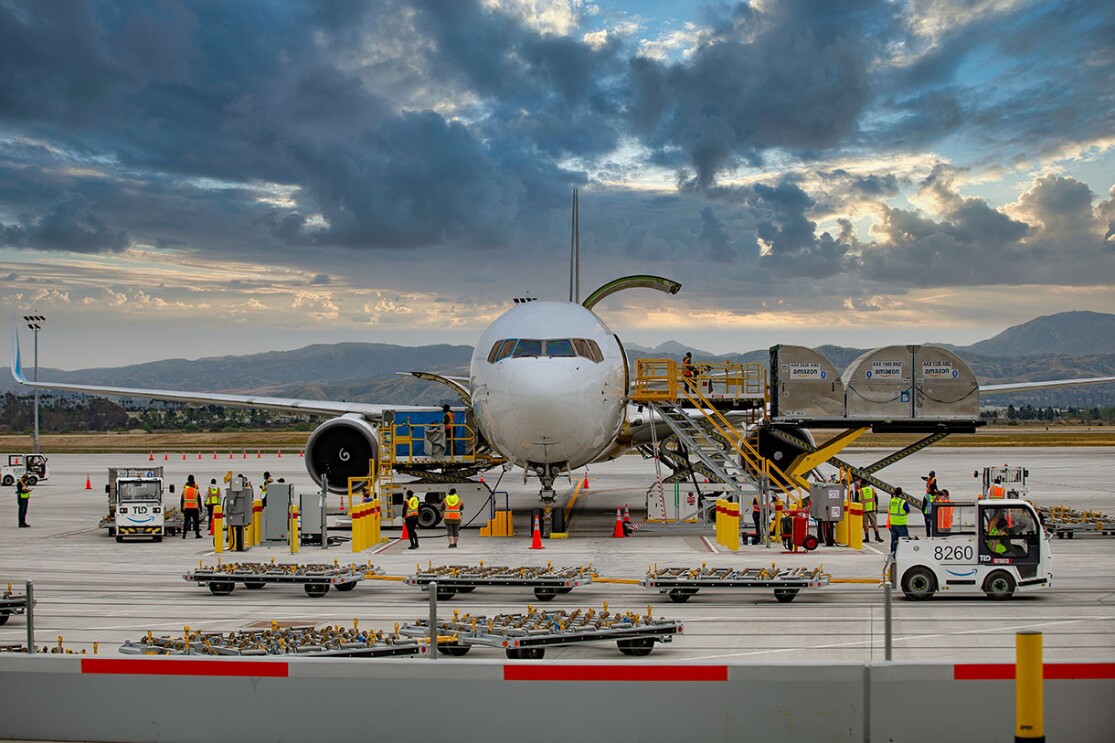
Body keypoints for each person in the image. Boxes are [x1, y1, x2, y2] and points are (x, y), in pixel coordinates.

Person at [888, 487, 910, 555]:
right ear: (901, 493)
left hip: (893, 523)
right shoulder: (903, 502)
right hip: (901, 524)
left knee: (894, 541)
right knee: (904, 540)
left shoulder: (891, 501)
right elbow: (908, 510)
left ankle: (893, 554)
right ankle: (903, 554)